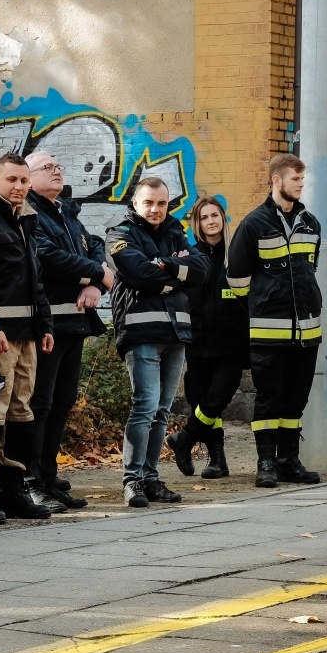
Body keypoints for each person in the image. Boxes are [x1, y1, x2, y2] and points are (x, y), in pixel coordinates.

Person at [0, 153, 57, 520]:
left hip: (27, 333)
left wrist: (45, 324)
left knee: (21, 411)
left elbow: (35, 276)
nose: (19, 187)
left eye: (23, 181)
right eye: (12, 180)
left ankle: (13, 488)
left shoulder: (26, 216)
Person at [226, 155, 325, 488]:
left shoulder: (311, 223)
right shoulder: (253, 224)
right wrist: (262, 305)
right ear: (276, 181)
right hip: (269, 332)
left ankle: (288, 461)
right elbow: (237, 279)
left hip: (307, 331)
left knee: (296, 399)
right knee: (269, 398)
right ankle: (265, 462)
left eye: (302, 179)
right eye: (295, 178)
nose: (301, 184)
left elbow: (310, 269)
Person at [108, 176, 208, 507]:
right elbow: (137, 272)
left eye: (162, 203)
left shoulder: (175, 232)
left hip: (175, 332)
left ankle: (151, 478)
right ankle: (132, 479)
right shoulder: (120, 233)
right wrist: (175, 274)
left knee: (163, 410)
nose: (155, 209)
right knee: (146, 406)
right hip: (141, 332)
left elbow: (201, 269)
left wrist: (164, 266)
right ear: (135, 203)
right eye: (149, 202)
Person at [27, 150, 106, 507]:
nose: (57, 171)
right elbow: (46, 256)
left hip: (74, 324)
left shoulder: (65, 212)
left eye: (59, 166)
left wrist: (96, 283)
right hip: (47, 325)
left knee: (61, 403)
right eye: (48, 167)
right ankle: (31, 481)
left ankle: (47, 475)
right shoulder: (29, 212)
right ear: (28, 177)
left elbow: (97, 246)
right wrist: (94, 273)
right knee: (39, 404)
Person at [169, 196, 245, 481]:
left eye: (215, 215)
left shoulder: (237, 252)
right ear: (197, 224)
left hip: (231, 342)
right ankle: (217, 462)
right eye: (204, 217)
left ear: (223, 219)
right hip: (197, 340)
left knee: (217, 398)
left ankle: (185, 439)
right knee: (198, 398)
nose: (210, 221)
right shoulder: (189, 254)